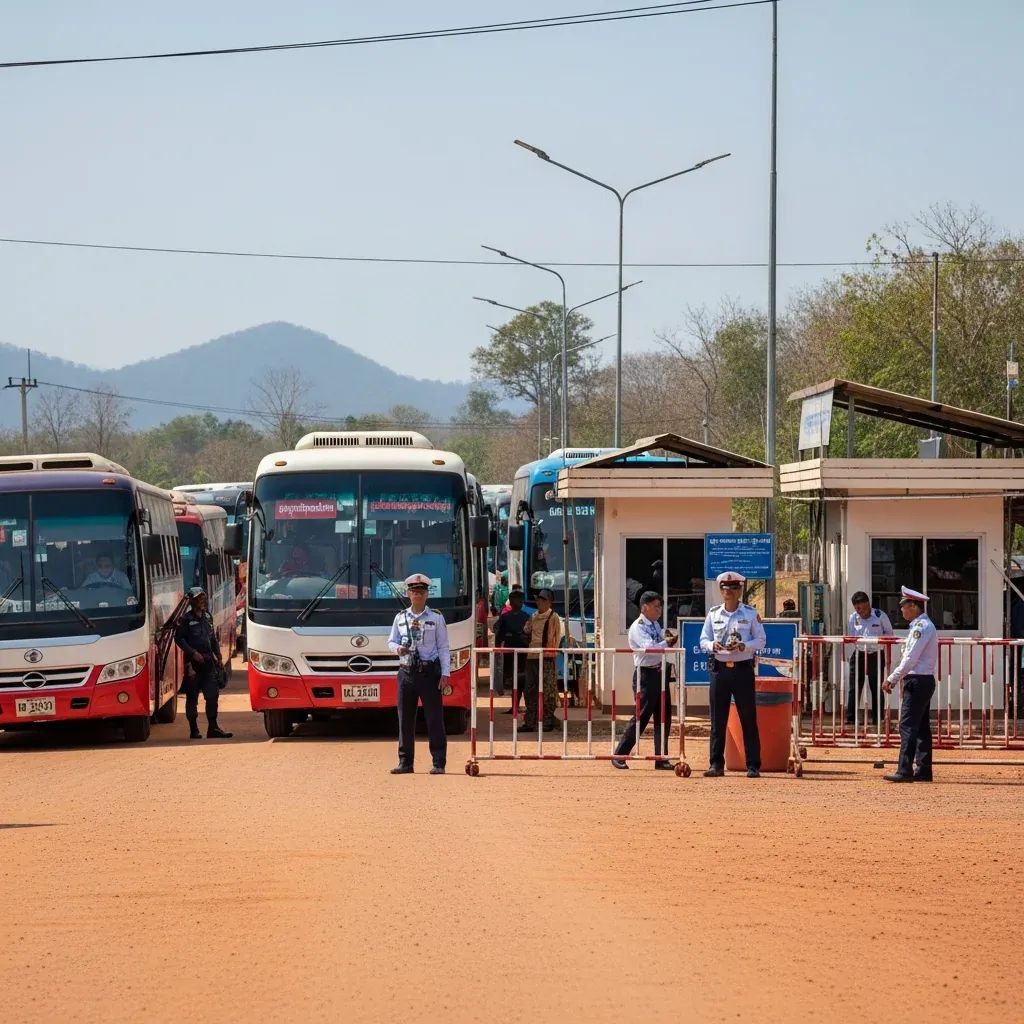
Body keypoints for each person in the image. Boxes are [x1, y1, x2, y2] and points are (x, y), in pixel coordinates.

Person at [699, 571, 766, 778]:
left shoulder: (750, 613)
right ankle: (716, 764)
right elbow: (703, 640)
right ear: (720, 591)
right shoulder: (713, 614)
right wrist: (712, 645)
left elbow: (761, 640)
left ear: (740, 591)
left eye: (734, 589)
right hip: (719, 671)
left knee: (748, 717)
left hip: (743, 670)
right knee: (717, 719)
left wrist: (745, 645)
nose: (729, 593)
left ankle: (753, 765)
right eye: (725, 589)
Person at [387, 572, 450, 775]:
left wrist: (445, 673)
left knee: (434, 719)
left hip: (429, 673)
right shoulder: (400, 617)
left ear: (427, 595)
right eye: (414, 591)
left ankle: (438, 762)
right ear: (408, 594)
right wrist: (398, 649)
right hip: (406, 673)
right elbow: (391, 641)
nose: (418, 595)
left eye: (421, 592)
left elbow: (443, 647)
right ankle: (405, 762)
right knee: (405, 719)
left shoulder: (436, 618)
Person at [611, 590, 677, 770]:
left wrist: (666, 639)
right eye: (656, 606)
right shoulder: (638, 626)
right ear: (645, 607)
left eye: (660, 607)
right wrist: (667, 643)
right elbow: (649, 647)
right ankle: (620, 754)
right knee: (641, 716)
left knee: (663, 717)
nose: (659, 610)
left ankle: (661, 757)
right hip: (645, 675)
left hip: (660, 672)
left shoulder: (655, 625)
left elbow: (659, 641)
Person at [882, 586, 938, 783]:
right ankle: (923, 769)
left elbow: (910, 658)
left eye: (904, 606)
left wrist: (892, 677)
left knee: (907, 725)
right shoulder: (922, 626)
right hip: (923, 680)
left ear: (914, 606)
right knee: (921, 726)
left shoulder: (921, 628)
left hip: (917, 680)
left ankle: (904, 769)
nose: (902, 610)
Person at [174, 587, 232, 740]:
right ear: (192, 601)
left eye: (203, 598)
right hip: (192, 666)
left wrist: (218, 656)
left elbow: (212, 638)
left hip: (208, 663)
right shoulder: (185, 620)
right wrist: (193, 653)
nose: (202, 601)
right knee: (192, 698)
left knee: (212, 695)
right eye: (198, 598)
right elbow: (179, 639)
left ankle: (213, 728)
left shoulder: (207, 617)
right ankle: (194, 730)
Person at [846, 590, 894, 727]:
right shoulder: (853, 618)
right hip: (859, 654)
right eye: (857, 609)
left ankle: (877, 720)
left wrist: (877, 640)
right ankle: (851, 720)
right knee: (854, 688)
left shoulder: (880, 616)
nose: (860, 611)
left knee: (876, 688)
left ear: (868, 604)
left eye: (862, 608)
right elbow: (851, 637)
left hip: (876, 655)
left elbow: (890, 634)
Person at [524, 588, 561, 732]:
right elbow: (527, 630)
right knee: (530, 690)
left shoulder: (553, 617)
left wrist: (551, 653)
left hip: (546, 657)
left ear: (549, 602)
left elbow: (556, 638)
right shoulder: (533, 617)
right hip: (532, 657)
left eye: (543, 600)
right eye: (539, 599)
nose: (540, 602)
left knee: (548, 690)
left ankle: (547, 721)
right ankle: (530, 721)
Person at [494, 589, 530, 707]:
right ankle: (514, 706)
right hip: (509, 653)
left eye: (519, 600)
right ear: (511, 601)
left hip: (523, 653)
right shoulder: (505, 617)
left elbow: (530, 635)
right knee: (511, 679)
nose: (517, 602)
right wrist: (497, 649)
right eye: (515, 600)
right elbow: (499, 634)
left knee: (521, 679)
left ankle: (518, 705)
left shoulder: (527, 617)